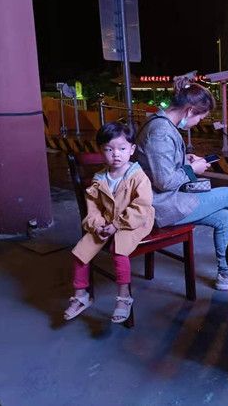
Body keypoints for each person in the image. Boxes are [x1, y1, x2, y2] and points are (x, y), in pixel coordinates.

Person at [135, 75, 228, 290]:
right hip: (158, 205)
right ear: (189, 111)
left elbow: (159, 164)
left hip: (164, 199)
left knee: (224, 217)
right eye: (200, 118)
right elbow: (164, 181)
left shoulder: (159, 123)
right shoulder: (161, 132)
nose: (198, 123)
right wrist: (192, 169)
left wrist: (184, 160)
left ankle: (225, 275)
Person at [64, 122, 155, 323]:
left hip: (135, 221)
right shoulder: (100, 178)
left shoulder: (138, 176)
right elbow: (94, 208)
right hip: (106, 221)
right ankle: (81, 295)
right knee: (81, 251)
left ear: (132, 149)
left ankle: (124, 297)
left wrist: (116, 225)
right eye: (109, 149)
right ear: (101, 151)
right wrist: (97, 225)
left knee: (119, 249)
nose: (116, 154)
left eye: (122, 148)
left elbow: (142, 206)